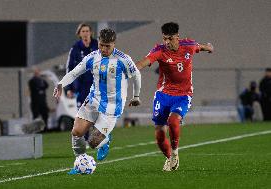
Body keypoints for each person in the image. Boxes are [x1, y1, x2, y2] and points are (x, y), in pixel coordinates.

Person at [53, 28, 141, 174]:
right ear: (98, 42)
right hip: (93, 100)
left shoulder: (123, 59)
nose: (104, 49)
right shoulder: (92, 57)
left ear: (114, 44)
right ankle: (79, 163)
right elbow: (75, 72)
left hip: (113, 105)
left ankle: (105, 139)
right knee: (76, 132)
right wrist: (61, 83)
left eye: (108, 46)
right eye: (101, 45)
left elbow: (136, 76)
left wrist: (136, 96)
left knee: (93, 142)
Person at [136, 22, 213, 171]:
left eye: (170, 39)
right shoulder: (160, 50)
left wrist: (209, 47)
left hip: (183, 94)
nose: (167, 42)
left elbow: (200, 47)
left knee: (173, 120)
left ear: (177, 37)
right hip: (163, 94)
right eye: (165, 38)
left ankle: (175, 154)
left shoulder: (188, 45)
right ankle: (169, 157)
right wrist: (132, 69)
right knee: (159, 135)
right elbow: (143, 62)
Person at [65, 23, 110, 161]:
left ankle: (103, 139)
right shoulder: (75, 48)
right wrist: (69, 88)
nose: (85, 33)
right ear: (79, 34)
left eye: (87, 31)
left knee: (98, 115)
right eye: (83, 31)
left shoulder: (98, 45)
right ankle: (87, 145)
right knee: (82, 118)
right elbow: (70, 68)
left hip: (98, 87)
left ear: (91, 33)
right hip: (82, 88)